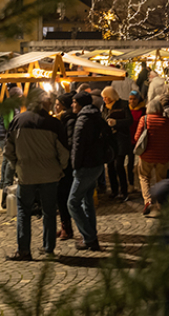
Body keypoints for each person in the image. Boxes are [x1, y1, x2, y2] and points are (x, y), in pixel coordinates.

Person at [3, 89, 70, 260]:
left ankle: (24, 250)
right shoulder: (54, 124)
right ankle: (48, 249)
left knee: (24, 211)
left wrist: (17, 166)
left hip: (26, 175)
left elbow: (8, 151)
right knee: (48, 211)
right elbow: (64, 153)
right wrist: (60, 169)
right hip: (50, 174)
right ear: (44, 104)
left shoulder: (18, 121)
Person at [68, 92, 107, 252]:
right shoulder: (96, 116)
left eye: (74, 102)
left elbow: (77, 146)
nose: (72, 105)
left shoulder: (82, 120)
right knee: (87, 200)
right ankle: (91, 237)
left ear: (80, 104)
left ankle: (89, 237)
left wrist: (75, 166)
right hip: (97, 165)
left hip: (85, 166)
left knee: (72, 203)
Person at [134, 99, 169, 215]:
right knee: (161, 180)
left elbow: (137, 137)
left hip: (146, 155)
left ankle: (148, 201)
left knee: (144, 177)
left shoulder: (144, 119)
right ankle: (160, 204)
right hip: (162, 156)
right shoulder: (167, 121)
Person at [101, 86, 134, 200]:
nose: (105, 100)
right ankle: (114, 190)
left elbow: (129, 120)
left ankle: (124, 191)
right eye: (103, 98)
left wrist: (116, 122)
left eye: (106, 97)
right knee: (110, 166)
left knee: (119, 165)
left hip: (121, 138)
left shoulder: (123, 105)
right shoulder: (104, 107)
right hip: (110, 140)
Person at [54, 92, 78, 240]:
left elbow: (68, 143)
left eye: (58, 104)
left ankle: (67, 229)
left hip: (67, 164)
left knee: (63, 196)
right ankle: (65, 226)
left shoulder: (68, 120)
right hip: (66, 163)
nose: (55, 107)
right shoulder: (66, 118)